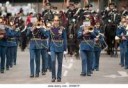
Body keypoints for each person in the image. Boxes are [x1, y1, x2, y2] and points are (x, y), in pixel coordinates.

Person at [48, 15, 67, 82]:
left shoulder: (62, 29)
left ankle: (59, 77)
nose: (56, 22)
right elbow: (49, 39)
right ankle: (53, 77)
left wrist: (65, 48)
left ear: (59, 21)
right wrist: (48, 49)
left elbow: (65, 39)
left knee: (60, 62)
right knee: (53, 61)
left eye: (57, 20)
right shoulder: (50, 29)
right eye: (55, 20)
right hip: (53, 46)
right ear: (53, 21)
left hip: (60, 46)